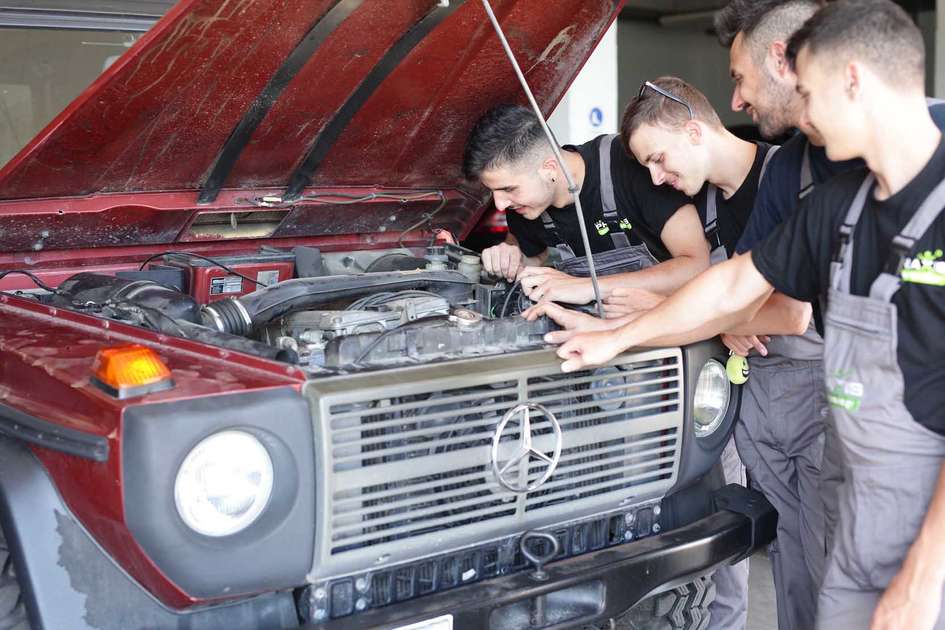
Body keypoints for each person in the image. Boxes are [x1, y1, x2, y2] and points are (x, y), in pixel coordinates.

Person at [532, 1, 945, 627]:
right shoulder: (841, 205)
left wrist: (923, 577)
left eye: (809, 93)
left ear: (854, 80)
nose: (800, 112)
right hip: (857, 491)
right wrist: (616, 337)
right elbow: (731, 287)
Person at [621, 74, 801, 630]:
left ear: (694, 131)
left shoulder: (787, 175)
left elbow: (796, 312)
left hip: (810, 385)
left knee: (824, 549)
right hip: (740, 389)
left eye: (658, 157)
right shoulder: (702, 201)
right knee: (753, 546)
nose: (656, 176)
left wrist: (723, 320)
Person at [462, 104, 710, 302]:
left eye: (508, 189)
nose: (501, 204)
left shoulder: (629, 166)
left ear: (549, 169)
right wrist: (509, 258)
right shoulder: (525, 208)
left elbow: (696, 265)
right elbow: (531, 260)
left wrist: (589, 287)